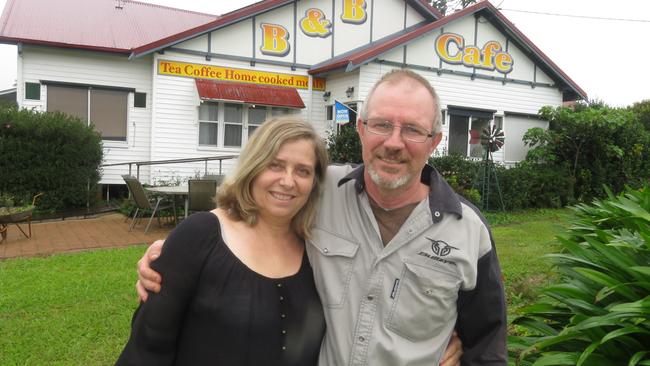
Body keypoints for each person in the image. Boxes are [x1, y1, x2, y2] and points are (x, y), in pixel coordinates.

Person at [137, 69, 506, 365]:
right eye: (381, 124)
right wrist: (179, 249)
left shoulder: (468, 231)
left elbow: (487, 344)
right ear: (361, 128)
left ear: (435, 140)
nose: (394, 142)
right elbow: (252, 210)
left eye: (412, 129)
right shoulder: (318, 189)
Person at [117, 118, 330, 365]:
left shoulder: (317, 248)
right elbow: (147, 348)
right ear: (253, 167)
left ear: (314, 183)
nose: (288, 181)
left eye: (303, 170)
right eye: (275, 165)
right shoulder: (200, 236)